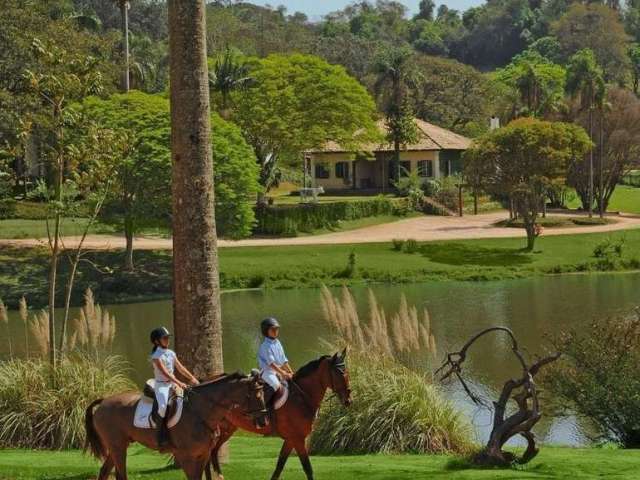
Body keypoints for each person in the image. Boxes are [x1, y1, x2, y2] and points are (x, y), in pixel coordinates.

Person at [149, 327, 199, 447]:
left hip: (172, 383)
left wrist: (192, 378)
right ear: (157, 341)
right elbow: (165, 372)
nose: (167, 340)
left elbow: (181, 368)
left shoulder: (171, 353)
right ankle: (160, 434)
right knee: (162, 407)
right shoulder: (156, 356)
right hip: (162, 385)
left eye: (167, 338)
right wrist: (179, 382)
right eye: (164, 338)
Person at [257, 317, 293, 405]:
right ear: (266, 331)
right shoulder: (265, 346)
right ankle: (265, 407)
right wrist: (283, 373)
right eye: (273, 329)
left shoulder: (278, 343)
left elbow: (284, 360)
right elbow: (271, 364)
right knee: (276, 385)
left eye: (277, 329)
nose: (276, 331)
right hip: (267, 372)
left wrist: (291, 371)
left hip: (278, 371)